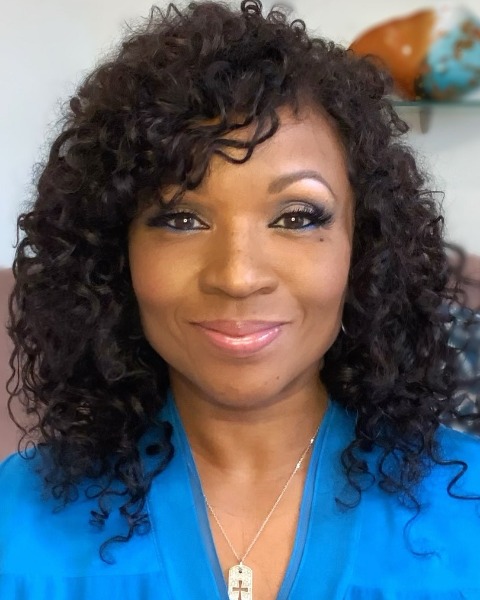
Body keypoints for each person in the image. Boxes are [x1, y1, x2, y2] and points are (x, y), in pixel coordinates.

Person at [1, 1, 480, 598]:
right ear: (115, 256)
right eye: (180, 219)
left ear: (364, 249)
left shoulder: (467, 520)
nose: (237, 276)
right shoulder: (14, 527)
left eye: (297, 217)